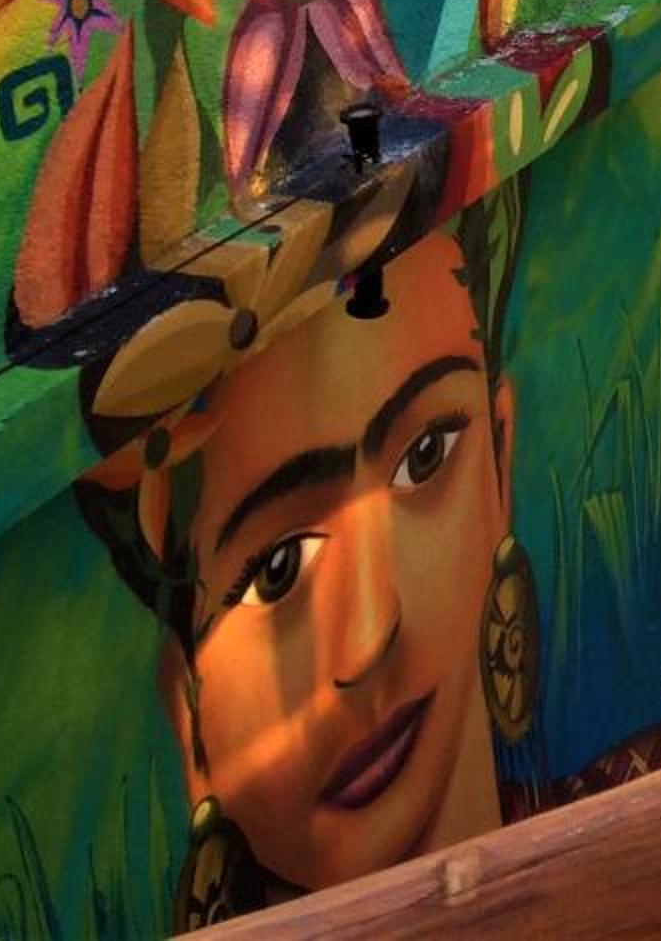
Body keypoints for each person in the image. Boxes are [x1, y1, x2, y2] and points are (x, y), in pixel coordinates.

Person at [77, 192, 535, 927]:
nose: (370, 634)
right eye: (278, 570)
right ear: (187, 707)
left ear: (500, 466)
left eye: (424, 457)